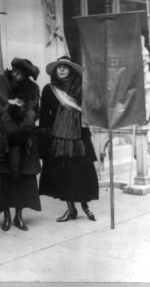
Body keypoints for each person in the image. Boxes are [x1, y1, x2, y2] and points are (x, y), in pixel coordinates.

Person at [0, 58, 42, 231]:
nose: (17, 74)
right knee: (3, 178)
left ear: (27, 75)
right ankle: (6, 216)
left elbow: (36, 112)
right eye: (15, 70)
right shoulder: (0, 83)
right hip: (1, 138)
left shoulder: (32, 90)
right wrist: (9, 107)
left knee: (22, 178)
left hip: (23, 138)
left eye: (21, 72)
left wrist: (24, 114)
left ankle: (18, 216)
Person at [38, 56, 99, 222]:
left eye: (65, 67)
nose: (62, 70)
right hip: (59, 139)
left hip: (80, 138)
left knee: (82, 172)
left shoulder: (83, 88)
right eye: (59, 67)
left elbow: (91, 110)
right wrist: (45, 137)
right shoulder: (49, 89)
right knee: (64, 174)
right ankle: (70, 209)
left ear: (71, 69)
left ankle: (86, 207)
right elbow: (44, 115)